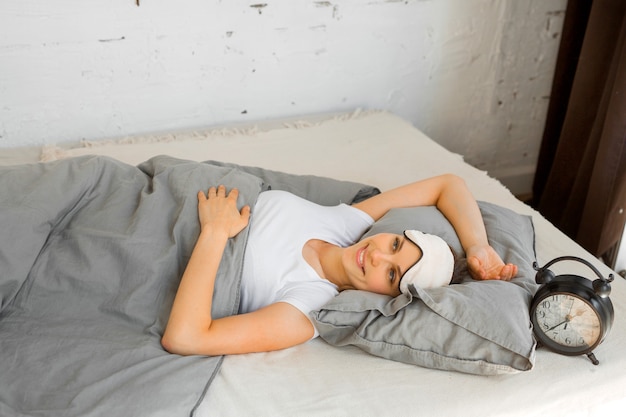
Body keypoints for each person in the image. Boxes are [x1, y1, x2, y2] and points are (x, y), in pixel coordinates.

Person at [161, 174, 518, 356]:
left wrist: (214, 232)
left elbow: (186, 337)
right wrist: (479, 247)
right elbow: (448, 184)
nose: (377, 255)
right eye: (395, 244)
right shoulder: (350, 225)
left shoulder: (308, 307)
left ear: (385, 298)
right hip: (165, 196)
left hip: (169, 245)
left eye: (391, 273)